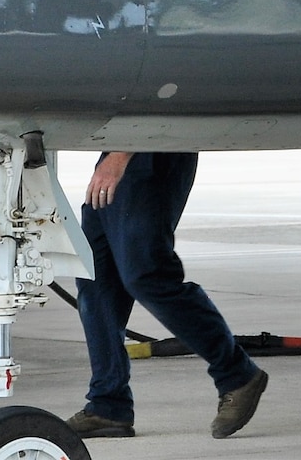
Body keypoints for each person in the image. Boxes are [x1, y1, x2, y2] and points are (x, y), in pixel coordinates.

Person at [64, 151, 269, 441]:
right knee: (96, 281)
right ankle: (108, 405)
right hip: (117, 152)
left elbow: (148, 103)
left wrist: (120, 155)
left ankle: (237, 374)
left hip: (149, 153)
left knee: (147, 275)